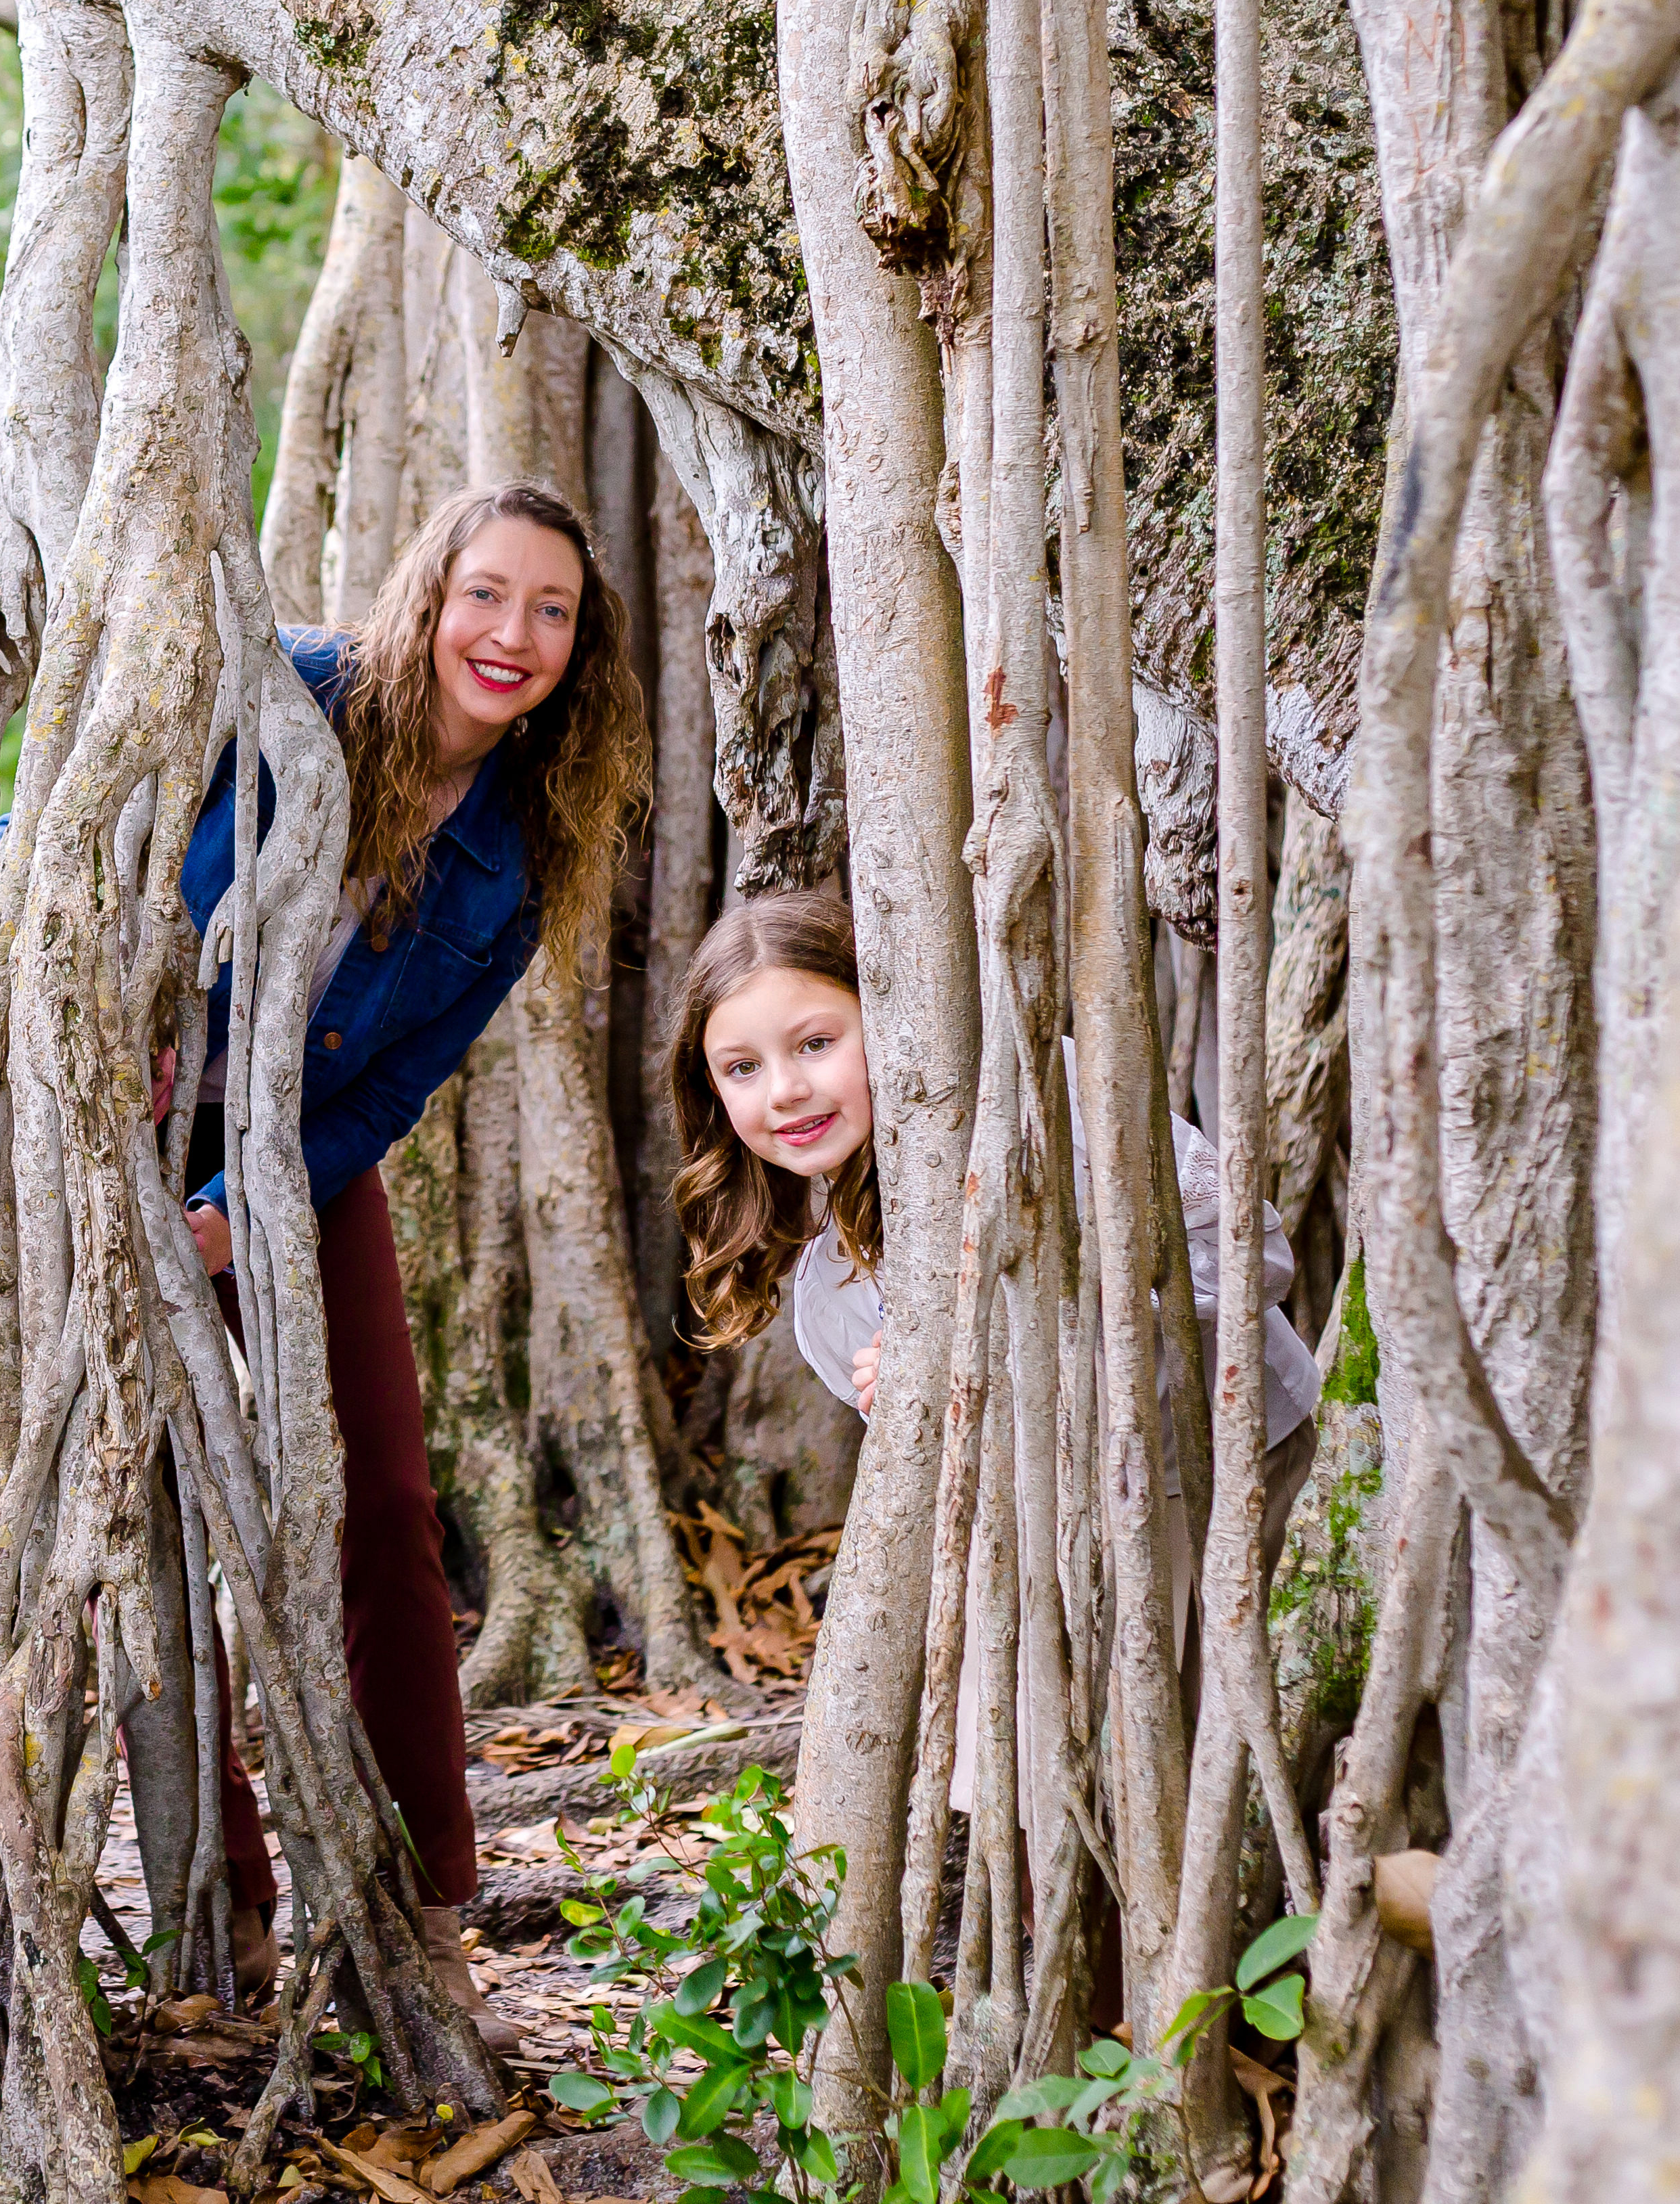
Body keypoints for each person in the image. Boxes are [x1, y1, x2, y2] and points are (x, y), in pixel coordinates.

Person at [179, 479, 648, 2054]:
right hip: (120, 1119)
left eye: (551, 612)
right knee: (159, 1508)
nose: (510, 635)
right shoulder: (286, 693)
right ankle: (218, 1896)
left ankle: (425, 1904)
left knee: (382, 1500)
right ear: (427, 593)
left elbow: (392, 1087)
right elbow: (65, 804)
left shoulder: (519, 853)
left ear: (581, 649)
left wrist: (249, 1208)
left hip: (296, 1165)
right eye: (486, 595)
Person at [667, 888, 1323, 1800]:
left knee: (1191, 1776)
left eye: (815, 1042)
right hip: (1049, 1523)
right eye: (739, 1067)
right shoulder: (826, 1287)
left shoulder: (1049, 1104)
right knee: (1022, 1778)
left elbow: (1253, 1259)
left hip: (1218, 1475)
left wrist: (990, 1342)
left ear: (891, 1015)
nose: (783, 1089)